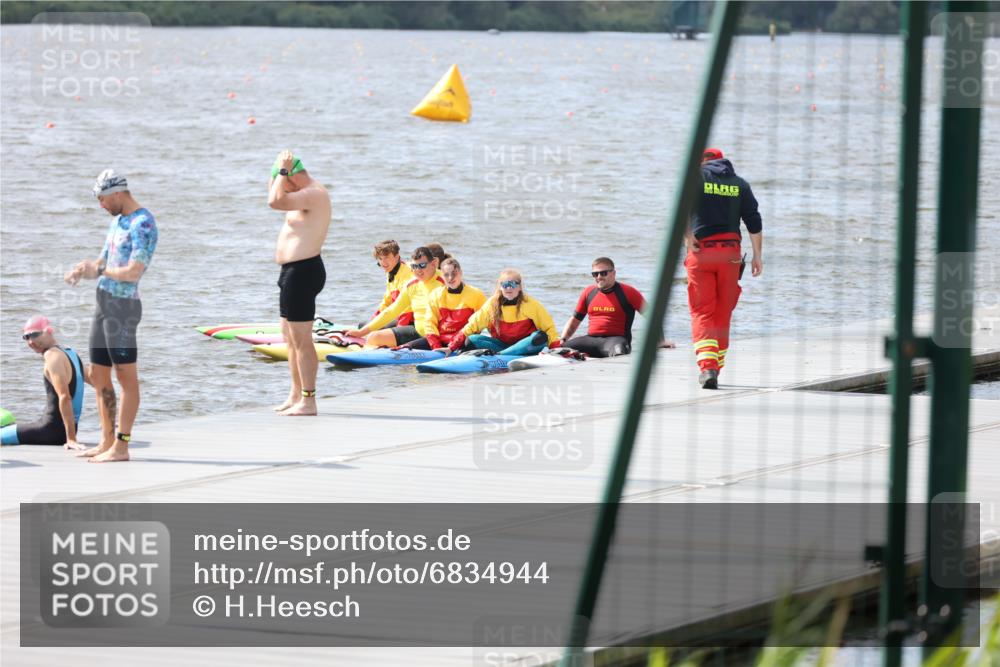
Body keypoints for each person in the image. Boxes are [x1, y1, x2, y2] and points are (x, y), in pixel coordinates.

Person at [64, 169, 157, 462]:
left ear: (117, 193)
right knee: (100, 373)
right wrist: (85, 268)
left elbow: (133, 272)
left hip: (124, 308)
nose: (101, 205)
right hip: (103, 304)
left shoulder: (143, 223)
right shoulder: (118, 222)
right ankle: (106, 440)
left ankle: (122, 445)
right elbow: (103, 259)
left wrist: (100, 271)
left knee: (126, 378)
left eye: (103, 199)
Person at [685, 148, 763, 389]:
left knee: (702, 310)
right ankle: (716, 367)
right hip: (731, 253)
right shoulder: (740, 184)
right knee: (722, 312)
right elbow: (754, 220)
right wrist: (757, 255)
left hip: (702, 252)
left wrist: (688, 237)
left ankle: (707, 367)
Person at [268, 150, 331, 416]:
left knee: (302, 339)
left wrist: (281, 172)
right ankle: (295, 394)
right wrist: (277, 171)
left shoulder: (313, 193)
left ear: (293, 176)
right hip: (291, 272)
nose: (280, 184)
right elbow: (274, 195)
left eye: (283, 178)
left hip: (304, 271)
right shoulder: (299, 193)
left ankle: (309, 399)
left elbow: (274, 202)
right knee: (289, 337)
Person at [560, 257, 675, 357]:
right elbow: (575, 319)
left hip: (615, 340)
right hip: (590, 340)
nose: (599, 277)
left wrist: (661, 340)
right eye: (595, 274)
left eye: (603, 273)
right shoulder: (588, 292)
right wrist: (564, 339)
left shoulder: (629, 292)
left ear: (613, 273)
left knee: (619, 352)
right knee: (559, 351)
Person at [1, 316, 86, 449]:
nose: (30, 341)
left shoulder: (52, 356)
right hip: (61, 430)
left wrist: (71, 439)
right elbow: (100, 385)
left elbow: (65, 396)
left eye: (35, 335)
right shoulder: (71, 353)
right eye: (26, 337)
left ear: (49, 331)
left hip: (51, 431)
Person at [448, 269, 560, 356]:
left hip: (526, 346)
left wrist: (556, 350)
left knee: (540, 336)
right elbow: (472, 326)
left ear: (520, 286)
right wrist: (451, 347)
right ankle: (505, 353)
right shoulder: (492, 304)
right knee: (472, 339)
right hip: (502, 346)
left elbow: (549, 328)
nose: (508, 288)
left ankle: (500, 355)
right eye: (504, 284)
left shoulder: (530, 304)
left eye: (512, 284)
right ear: (500, 287)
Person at [347, 247, 444, 348]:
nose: (418, 270)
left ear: (434, 263)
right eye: (414, 266)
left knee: (373, 338)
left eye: (422, 265)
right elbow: (392, 311)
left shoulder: (445, 282)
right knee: (374, 337)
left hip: (439, 336)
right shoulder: (411, 284)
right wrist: (361, 333)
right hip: (417, 332)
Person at [402, 258, 486, 350]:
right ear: (442, 275)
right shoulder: (436, 294)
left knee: (470, 340)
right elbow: (429, 323)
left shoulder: (476, 294)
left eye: (454, 273)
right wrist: (436, 347)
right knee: (405, 349)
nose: (450, 278)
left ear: (460, 273)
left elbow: (483, 321)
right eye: (446, 275)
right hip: (440, 340)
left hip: (464, 341)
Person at [369, 239, 414, 326]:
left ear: (397, 257)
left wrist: (398, 330)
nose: (383, 262)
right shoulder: (391, 273)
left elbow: (408, 306)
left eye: (386, 258)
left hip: (412, 321)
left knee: (376, 331)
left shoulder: (408, 273)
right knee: (364, 325)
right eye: (380, 259)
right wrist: (375, 318)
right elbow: (387, 301)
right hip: (399, 316)